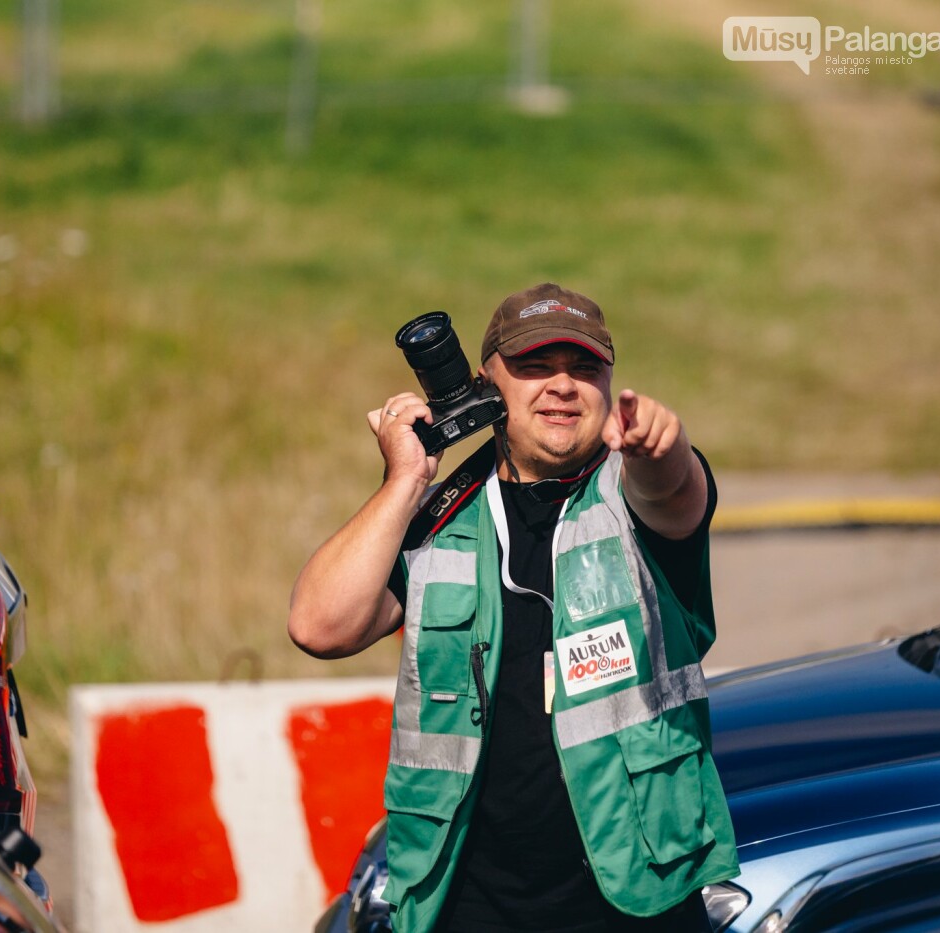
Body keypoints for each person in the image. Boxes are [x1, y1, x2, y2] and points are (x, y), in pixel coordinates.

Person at [288, 284, 737, 932]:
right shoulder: (441, 515)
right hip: (467, 903)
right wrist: (406, 480)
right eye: (534, 367)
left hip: (639, 897)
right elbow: (318, 625)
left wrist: (665, 446)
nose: (562, 385)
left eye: (585, 369)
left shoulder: (633, 493)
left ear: (610, 386)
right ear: (484, 385)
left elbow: (674, 489)